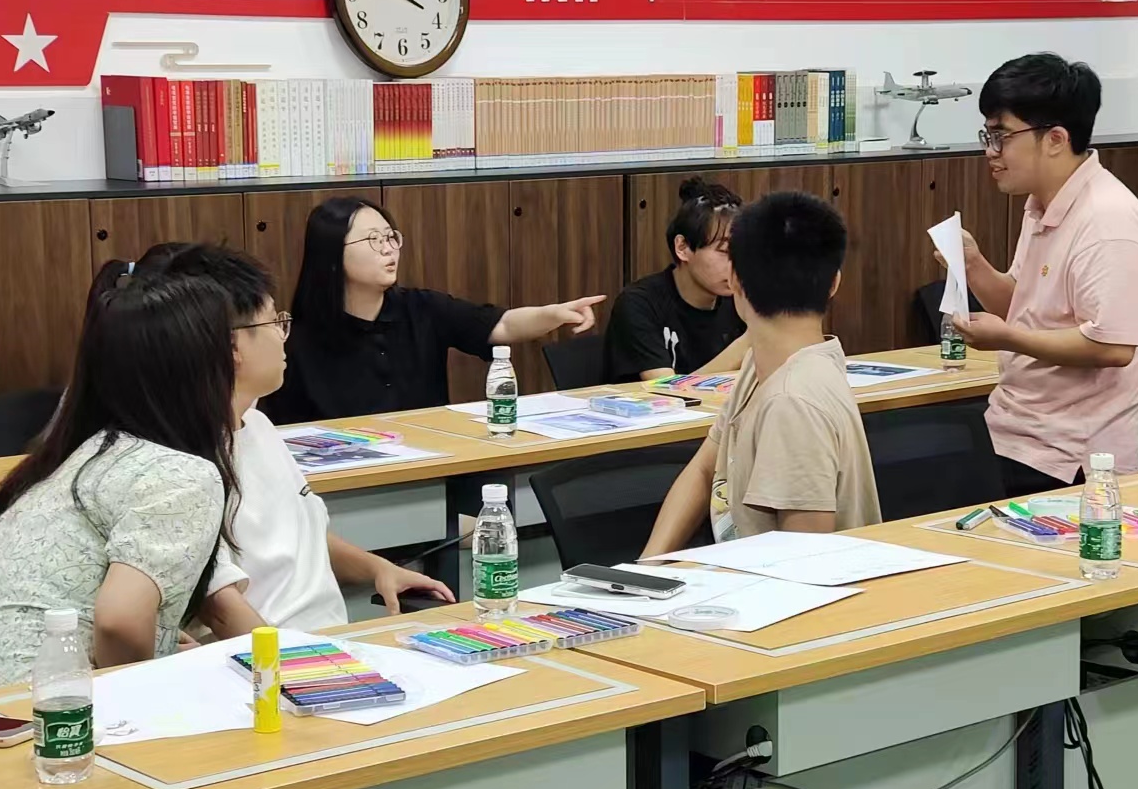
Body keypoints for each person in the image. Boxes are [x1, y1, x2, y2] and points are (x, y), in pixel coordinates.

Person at [127, 243, 452, 634]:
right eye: (274, 322)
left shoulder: (259, 426)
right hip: (269, 656)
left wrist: (378, 568)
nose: (284, 336)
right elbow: (221, 609)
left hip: (328, 639)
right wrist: (295, 662)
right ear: (232, 346)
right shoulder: (185, 464)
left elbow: (298, 535)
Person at [0, 273, 240, 696]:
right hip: (56, 718)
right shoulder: (180, 474)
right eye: (228, 348)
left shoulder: (66, 461)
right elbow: (119, 622)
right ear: (198, 370)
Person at [949, 53, 1138, 497]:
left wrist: (1008, 338)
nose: (990, 152)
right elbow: (1024, 308)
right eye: (987, 135)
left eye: (1001, 136)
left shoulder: (1107, 220)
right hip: (1017, 433)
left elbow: (1113, 346)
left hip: (1073, 460)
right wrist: (973, 265)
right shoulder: (1042, 204)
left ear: (1056, 139)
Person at [642, 192, 880, 555]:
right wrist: (648, 566)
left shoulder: (792, 402)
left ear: (735, 281)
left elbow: (803, 562)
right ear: (834, 282)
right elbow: (704, 469)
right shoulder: (763, 365)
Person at [264, 197, 606, 421]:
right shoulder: (296, 339)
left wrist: (553, 314)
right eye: (373, 240)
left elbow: (501, 325)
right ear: (331, 254)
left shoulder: (423, 308)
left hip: (429, 466)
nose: (389, 249)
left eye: (391, 237)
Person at [603, 177, 750, 382]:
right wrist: (751, 340)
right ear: (682, 248)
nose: (736, 264)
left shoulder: (742, 297)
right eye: (724, 251)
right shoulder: (639, 304)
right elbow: (665, 389)